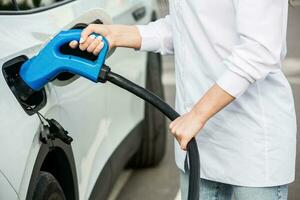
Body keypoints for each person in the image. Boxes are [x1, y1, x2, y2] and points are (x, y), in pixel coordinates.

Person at [69, 0, 296, 199]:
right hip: (200, 140)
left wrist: (198, 115)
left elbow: (259, 51)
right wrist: (117, 34)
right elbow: (185, 28)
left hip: (252, 139)